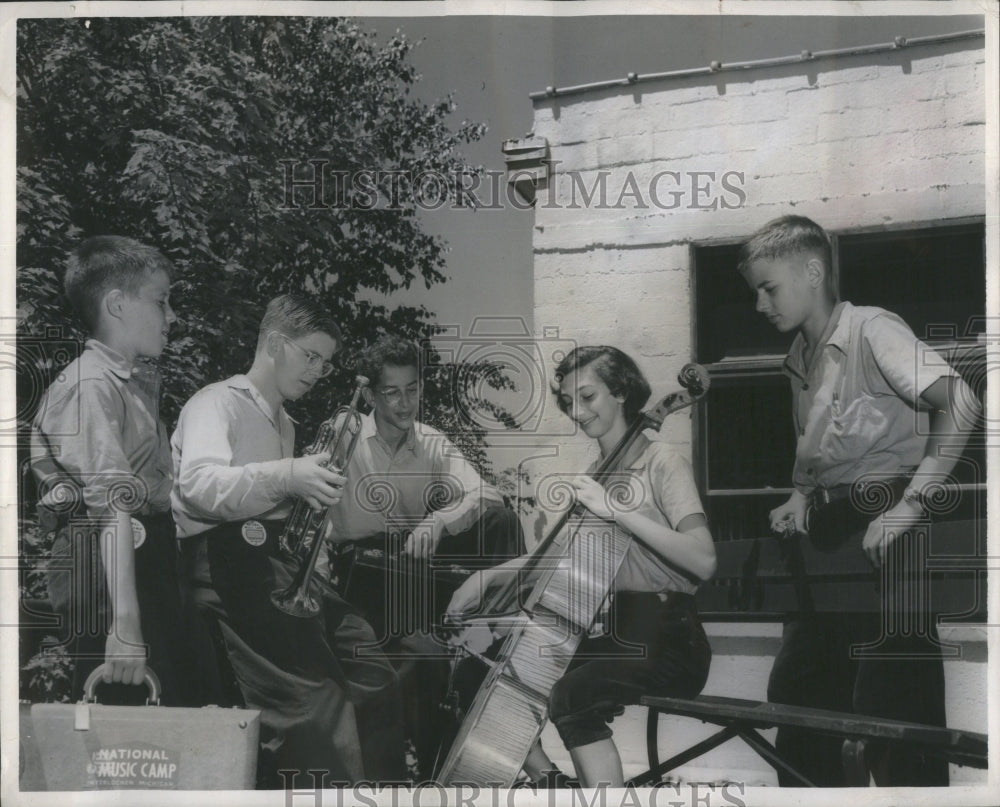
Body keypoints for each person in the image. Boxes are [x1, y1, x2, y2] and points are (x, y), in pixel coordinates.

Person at [739, 215, 980, 786]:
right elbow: (822, 447)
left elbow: (963, 402)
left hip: (888, 542)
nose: (758, 304)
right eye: (754, 291)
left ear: (813, 271)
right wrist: (800, 495)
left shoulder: (872, 330)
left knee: (894, 719)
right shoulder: (797, 360)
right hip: (828, 550)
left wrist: (909, 507)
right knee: (797, 707)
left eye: (768, 288)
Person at [446, 346, 716, 788]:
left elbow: (703, 560)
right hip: (621, 634)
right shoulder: (598, 472)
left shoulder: (662, 462)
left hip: (672, 640)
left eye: (588, 397)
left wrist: (614, 510)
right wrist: (487, 577)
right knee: (482, 673)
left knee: (572, 696)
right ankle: (557, 786)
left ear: (622, 392)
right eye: (569, 402)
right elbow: (551, 556)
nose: (577, 411)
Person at [170, 294, 406, 785]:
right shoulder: (217, 402)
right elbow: (197, 486)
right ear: (276, 344)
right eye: (311, 356)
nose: (319, 371)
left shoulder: (289, 425)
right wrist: (286, 476)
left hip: (278, 565)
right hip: (227, 563)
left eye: (326, 362)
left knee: (374, 672)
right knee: (314, 702)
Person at [326, 334, 525, 778]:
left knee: (501, 521)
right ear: (373, 395)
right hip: (361, 573)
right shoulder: (346, 434)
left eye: (412, 389)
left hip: (414, 567)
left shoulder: (432, 441)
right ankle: (423, 774)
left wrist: (439, 521)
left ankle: (503, 634)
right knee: (421, 659)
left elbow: (486, 493)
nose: (404, 403)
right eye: (392, 392)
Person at [31, 235, 194, 705]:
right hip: (110, 568)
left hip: (141, 558)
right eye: (162, 301)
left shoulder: (127, 382)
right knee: (123, 741)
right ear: (117, 305)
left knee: (160, 730)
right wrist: (124, 627)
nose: (173, 316)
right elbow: (112, 507)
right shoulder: (90, 386)